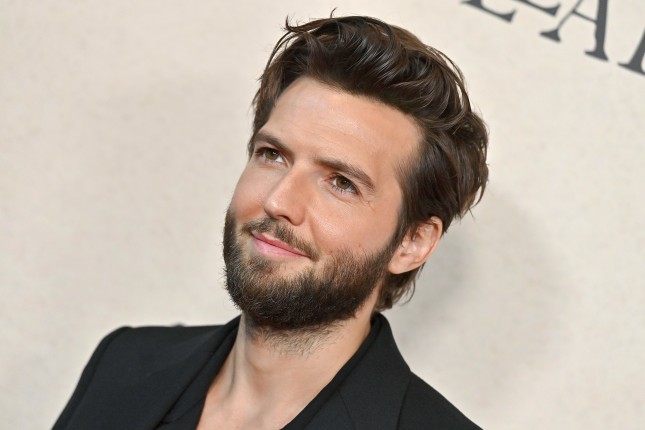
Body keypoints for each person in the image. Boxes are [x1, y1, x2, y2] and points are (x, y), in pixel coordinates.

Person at [54, 15, 488, 430]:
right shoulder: (124, 363)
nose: (279, 200)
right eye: (273, 155)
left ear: (412, 242)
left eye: (341, 183)